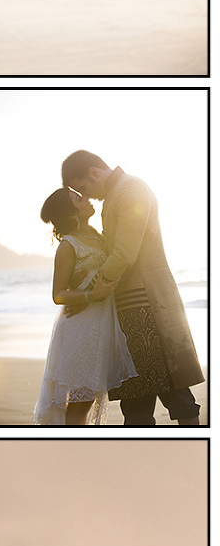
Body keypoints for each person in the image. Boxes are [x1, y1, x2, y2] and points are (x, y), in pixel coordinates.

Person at [60, 149, 204, 426]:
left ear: (94, 172)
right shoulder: (118, 193)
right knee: (138, 398)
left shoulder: (130, 190)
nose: (87, 197)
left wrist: (90, 295)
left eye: (84, 189)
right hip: (131, 308)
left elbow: (125, 253)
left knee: (173, 393)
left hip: (146, 305)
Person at [33, 186, 136, 427]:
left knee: (86, 401)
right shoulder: (68, 245)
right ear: (72, 214)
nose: (87, 198)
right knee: (81, 405)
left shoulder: (99, 236)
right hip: (81, 330)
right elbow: (58, 295)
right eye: (79, 199)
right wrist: (92, 295)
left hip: (100, 327)